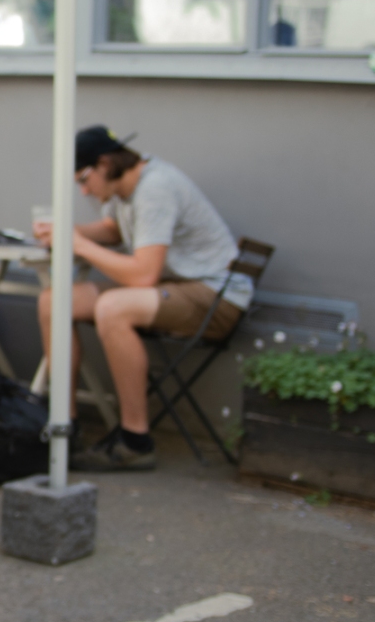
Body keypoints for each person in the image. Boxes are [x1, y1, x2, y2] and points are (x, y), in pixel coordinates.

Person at [33, 125, 250, 472]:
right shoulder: (125, 189)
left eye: (85, 179)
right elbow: (113, 231)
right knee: (54, 302)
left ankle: (135, 441)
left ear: (105, 164)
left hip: (214, 296)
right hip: (175, 286)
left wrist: (79, 245)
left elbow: (143, 275)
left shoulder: (155, 187)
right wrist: (63, 231)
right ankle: (64, 424)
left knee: (113, 308)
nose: (84, 190)